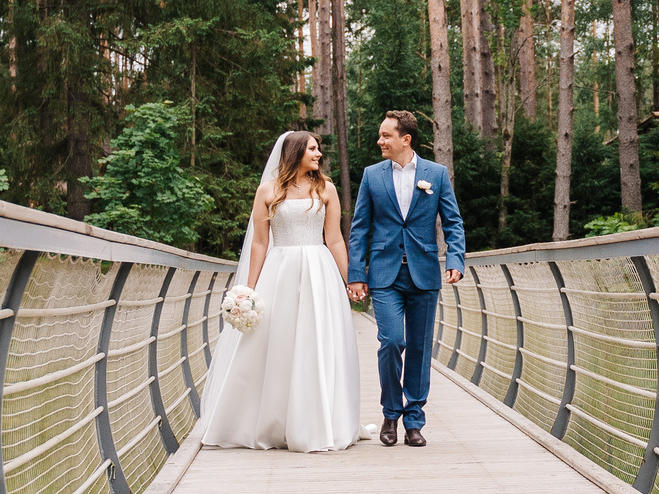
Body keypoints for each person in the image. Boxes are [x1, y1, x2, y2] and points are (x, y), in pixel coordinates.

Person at [197, 131, 363, 453]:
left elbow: (336, 240)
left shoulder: (326, 189)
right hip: (280, 271)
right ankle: (272, 422)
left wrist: (350, 280)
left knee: (316, 343)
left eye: (318, 149)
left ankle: (316, 423)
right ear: (296, 152)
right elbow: (260, 242)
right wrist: (249, 289)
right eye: (312, 149)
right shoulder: (268, 191)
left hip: (319, 271)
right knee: (278, 344)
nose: (318, 154)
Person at [347, 110, 465, 447]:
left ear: (405, 139)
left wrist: (455, 259)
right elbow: (359, 230)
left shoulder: (436, 174)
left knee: (418, 347)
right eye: (381, 135)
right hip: (384, 274)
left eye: (386, 135)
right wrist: (357, 274)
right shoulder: (372, 176)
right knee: (392, 341)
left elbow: (453, 223)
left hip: (424, 272)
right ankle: (390, 412)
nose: (380, 141)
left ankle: (414, 420)